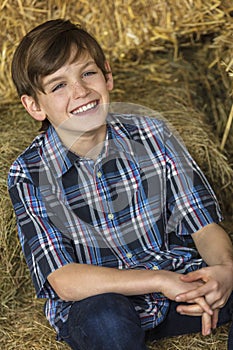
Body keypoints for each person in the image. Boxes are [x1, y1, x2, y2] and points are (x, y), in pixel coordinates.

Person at [8, 18, 233, 350]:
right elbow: (64, 279)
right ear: (34, 106)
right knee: (105, 318)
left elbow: (201, 222)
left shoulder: (152, 133)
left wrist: (224, 271)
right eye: (58, 86)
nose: (80, 91)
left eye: (88, 74)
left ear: (108, 76)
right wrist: (158, 280)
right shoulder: (28, 172)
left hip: (180, 286)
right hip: (103, 303)